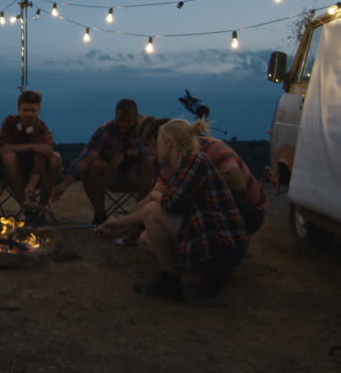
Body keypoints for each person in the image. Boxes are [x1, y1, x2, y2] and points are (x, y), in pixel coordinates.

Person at [100, 118, 249, 301]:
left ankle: (179, 281)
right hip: (211, 239)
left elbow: (172, 204)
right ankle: (173, 281)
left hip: (221, 244)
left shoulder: (196, 161)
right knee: (151, 225)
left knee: (154, 210)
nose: (154, 150)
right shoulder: (181, 167)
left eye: (159, 144)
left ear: (169, 144)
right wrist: (120, 226)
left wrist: (119, 222)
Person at [50, 98, 152, 225]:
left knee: (149, 162)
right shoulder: (106, 131)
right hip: (111, 175)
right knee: (93, 165)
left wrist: (127, 153)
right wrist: (64, 184)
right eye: (120, 120)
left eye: (127, 121)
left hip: (140, 179)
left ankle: (139, 216)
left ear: (136, 117)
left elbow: (156, 152)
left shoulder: (148, 128)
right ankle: (100, 215)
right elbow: (86, 157)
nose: (123, 125)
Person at [0, 90, 62, 222]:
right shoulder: (10, 123)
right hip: (10, 171)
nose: (29, 114)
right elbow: (1, 148)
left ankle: (40, 209)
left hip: (37, 173)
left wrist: (32, 183)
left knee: (56, 157)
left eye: (33, 110)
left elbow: (41, 158)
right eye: (25, 110)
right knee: (9, 156)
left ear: (39, 110)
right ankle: (27, 208)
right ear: (18, 109)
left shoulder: (43, 131)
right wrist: (32, 146)